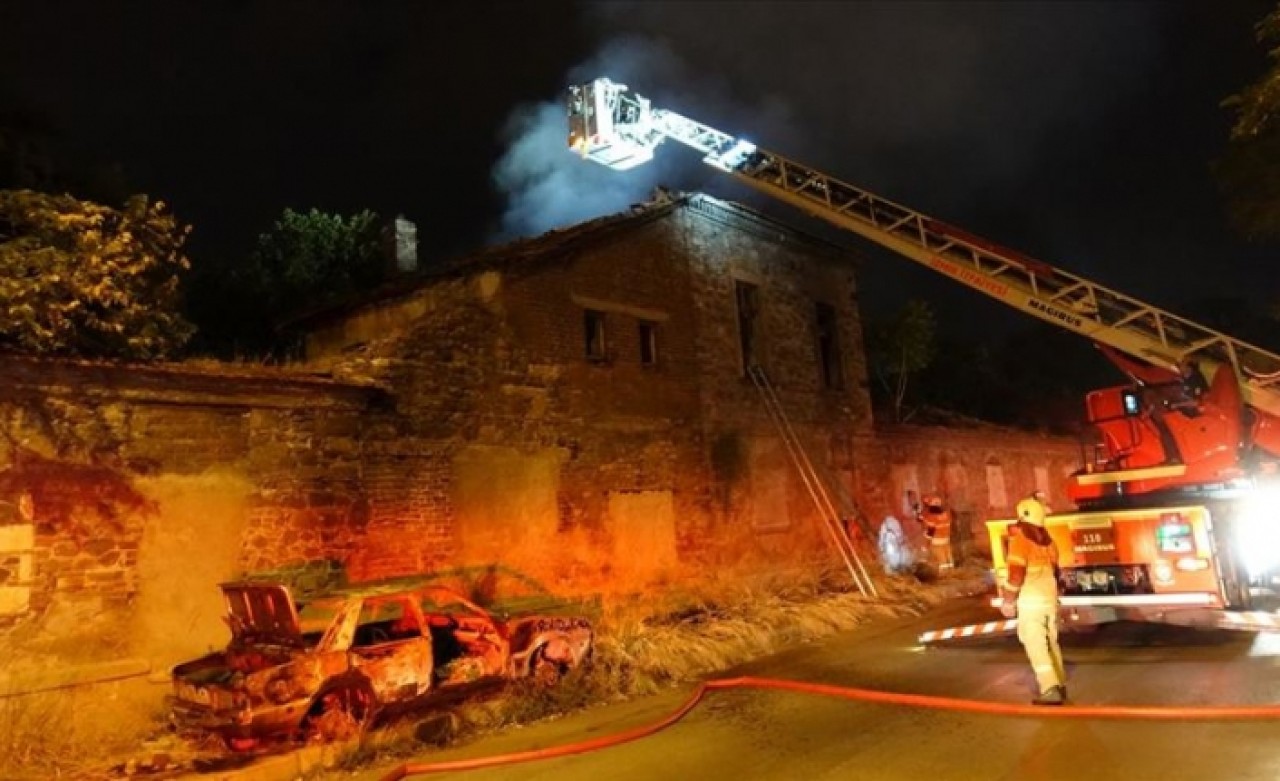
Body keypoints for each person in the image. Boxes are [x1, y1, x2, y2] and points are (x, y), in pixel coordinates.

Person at [1001, 496, 1067, 705]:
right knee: (1050, 641)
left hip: (1031, 602)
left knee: (1035, 644)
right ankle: (1060, 683)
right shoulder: (1049, 542)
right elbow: (1056, 573)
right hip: (1049, 600)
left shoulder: (1020, 541)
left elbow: (1016, 576)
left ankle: (1049, 688)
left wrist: (1008, 601)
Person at [918, 493, 954, 572]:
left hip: (937, 540)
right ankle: (952, 571)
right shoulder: (946, 514)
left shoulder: (931, 517)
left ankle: (944, 574)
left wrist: (926, 545)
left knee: (941, 558)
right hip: (946, 538)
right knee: (948, 556)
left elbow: (930, 531)